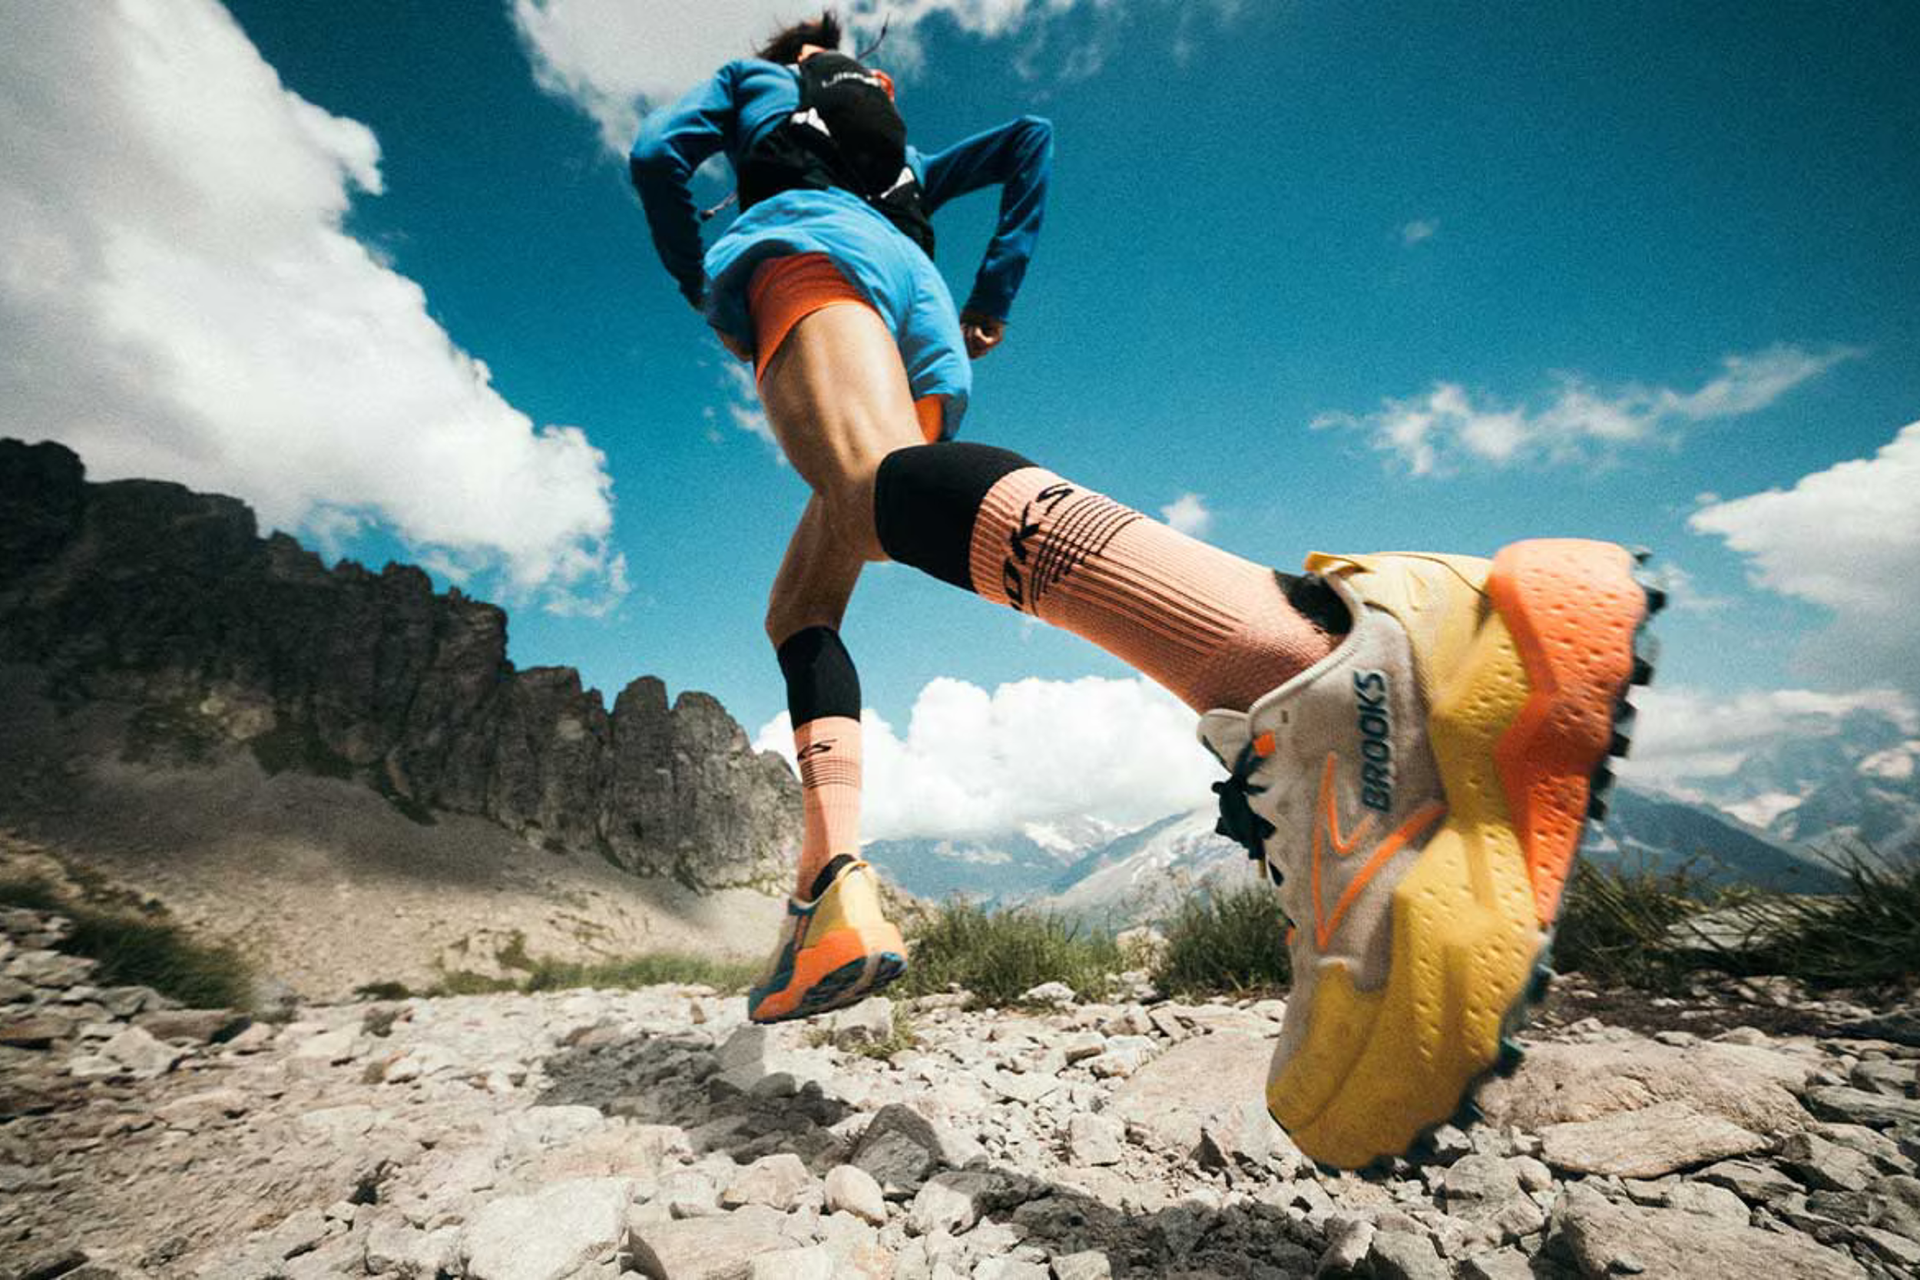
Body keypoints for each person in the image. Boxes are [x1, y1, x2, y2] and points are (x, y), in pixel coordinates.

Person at [630, 11, 1662, 1170]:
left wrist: (705, 277)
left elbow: (659, 157)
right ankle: (829, 892)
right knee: (807, 594)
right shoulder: (898, 145)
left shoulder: (757, 81)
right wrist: (990, 298)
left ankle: (1315, 666)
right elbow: (1027, 139)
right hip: (922, 316)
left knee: (868, 486)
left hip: (806, 250)